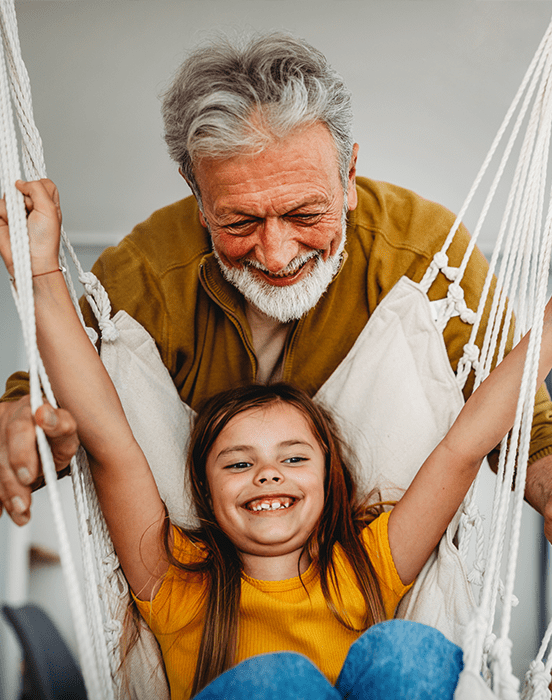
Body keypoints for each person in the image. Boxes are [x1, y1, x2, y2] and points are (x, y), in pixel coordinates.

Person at [2, 178, 552, 700]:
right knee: (277, 682)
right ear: (204, 490)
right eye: (238, 465)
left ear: (329, 477)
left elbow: (464, 445)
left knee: (408, 652)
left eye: (293, 457)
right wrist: (41, 274)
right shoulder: (174, 582)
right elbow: (111, 440)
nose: (268, 473)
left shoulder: (368, 565)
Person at [2, 32, 552, 541]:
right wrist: (24, 424)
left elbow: (522, 428)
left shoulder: (431, 260)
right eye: (240, 222)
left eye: (305, 213)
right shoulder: (147, 273)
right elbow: (59, 399)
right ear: (197, 198)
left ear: (350, 178)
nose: (277, 254)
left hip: (380, 584)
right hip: (204, 600)